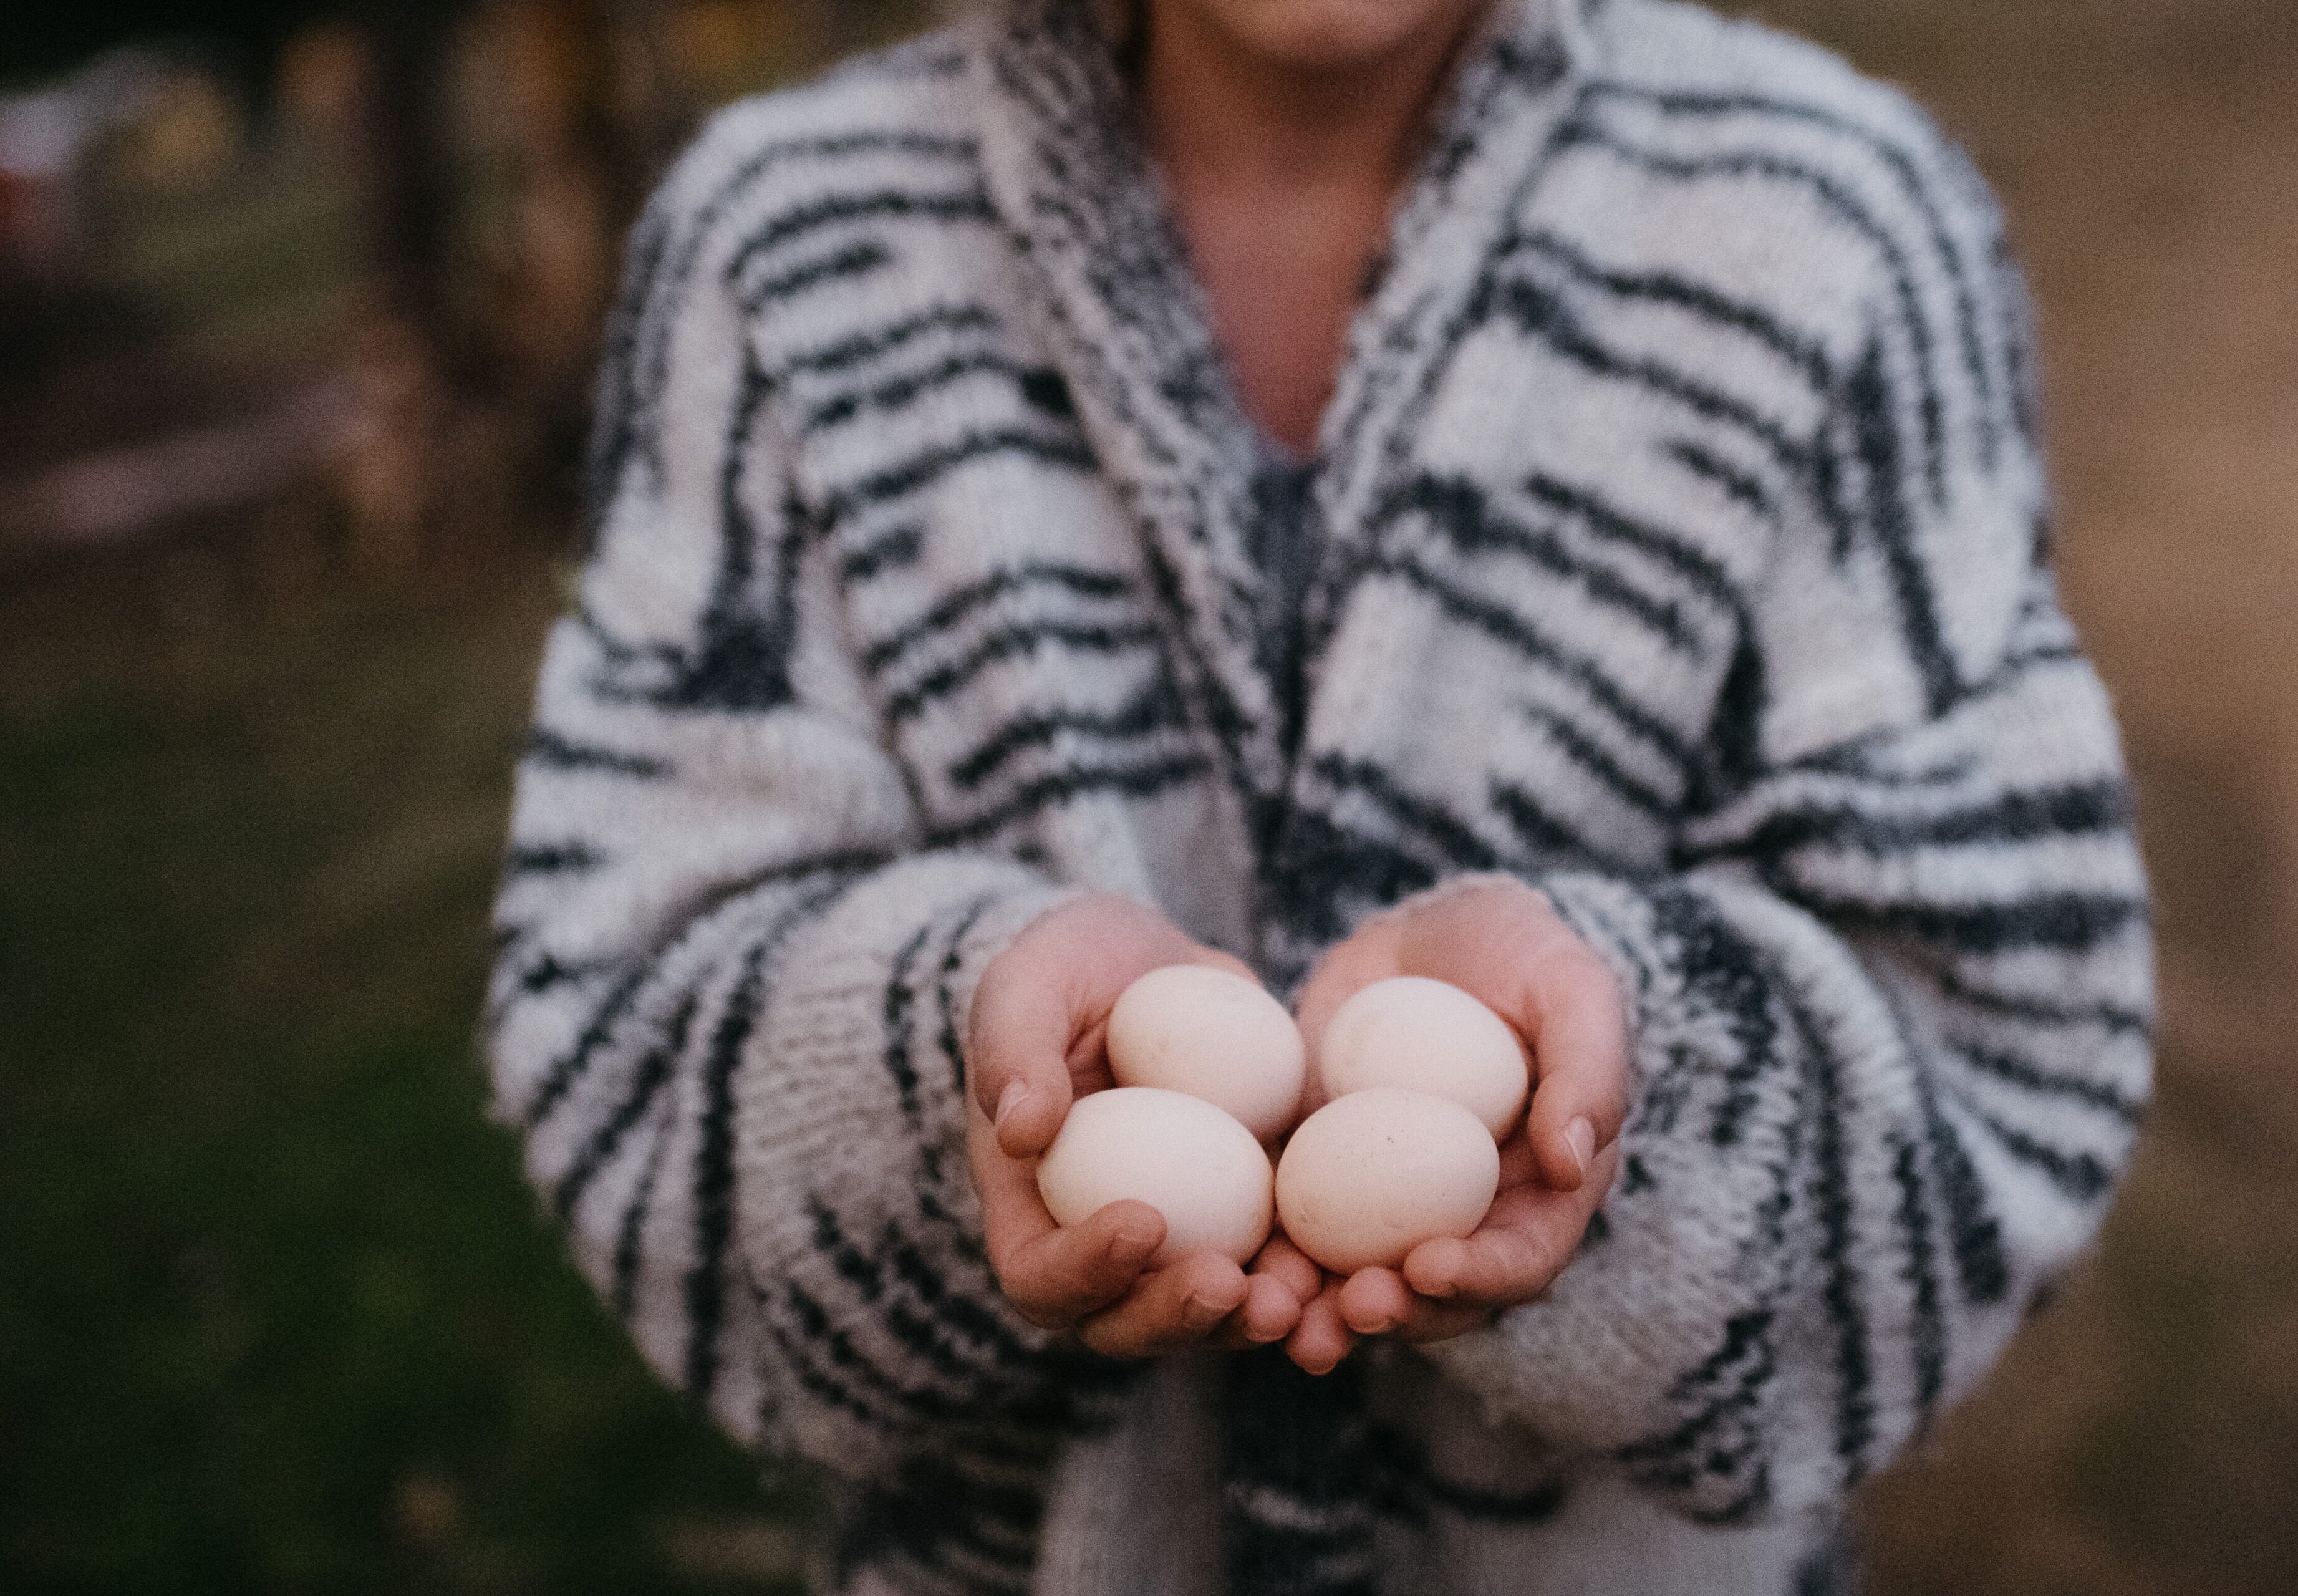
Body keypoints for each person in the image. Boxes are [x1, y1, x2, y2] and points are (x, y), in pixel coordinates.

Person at [482, 0, 2153, 1590]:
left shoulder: (1839, 232)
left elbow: (2000, 1066)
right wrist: (955, 1067)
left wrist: (1616, 1092)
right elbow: (623, 1030)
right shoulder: (777, 256)